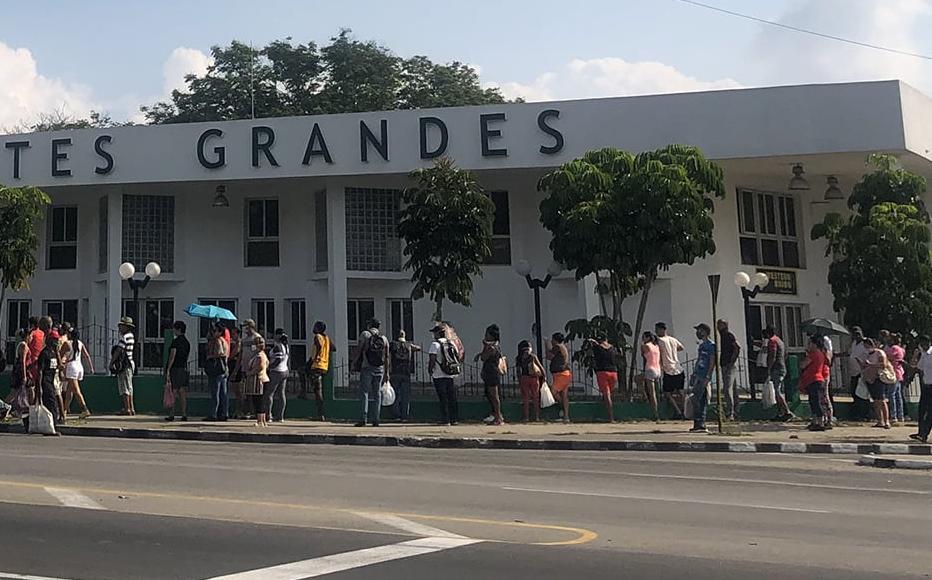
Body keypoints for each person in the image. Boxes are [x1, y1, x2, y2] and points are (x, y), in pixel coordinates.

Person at [354, 318, 389, 427]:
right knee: (377, 394)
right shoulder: (384, 338)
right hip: (380, 369)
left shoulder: (365, 334)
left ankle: (363, 419)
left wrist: (354, 362)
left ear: (370, 325)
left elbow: (359, 350)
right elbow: (387, 356)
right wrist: (387, 372)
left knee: (364, 392)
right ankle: (376, 419)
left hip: (367, 367)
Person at [428, 323, 460, 426]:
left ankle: (445, 420)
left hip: (439, 374)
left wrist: (430, 370)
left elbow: (432, 359)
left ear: (437, 334)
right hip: (450, 374)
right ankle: (454, 419)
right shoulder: (451, 343)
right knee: (451, 397)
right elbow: (457, 356)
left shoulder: (435, 345)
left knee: (443, 398)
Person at [60, 323, 93, 419]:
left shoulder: (67, 343)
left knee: (76, 390)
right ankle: (64, 411)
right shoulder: (80, 343)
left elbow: (60, 354)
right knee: (69, 391)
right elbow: (86, 355)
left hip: (71, 367)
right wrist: (91, 367)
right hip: (79, 366)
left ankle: (84, 408)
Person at [858, 338, 891, 429]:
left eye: (868, 345)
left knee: (882, 400)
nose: (866, 348)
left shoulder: (879, 353)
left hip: (878, 378)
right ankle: (880, 420)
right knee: (875, 401)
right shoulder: (866, 354)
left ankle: (886, 420)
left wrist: (871, 365)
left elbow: (883, 365)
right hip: (870, 379)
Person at [655, 322, 686, 420]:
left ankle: (678, 411)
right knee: (681, 392)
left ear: (661, 330)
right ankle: (685, 410)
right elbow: (681, 347)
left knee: (667, 393)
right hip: (678, 368)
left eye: (657, 329)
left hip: (668, 369)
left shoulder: (659, 340)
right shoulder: (672, 339)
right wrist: (672, 351)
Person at [689, 323, 715, 434]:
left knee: (698, 399)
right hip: (698, 375)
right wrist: (694, 374)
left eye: (699, 330)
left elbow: (712, 362)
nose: (697, 333)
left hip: (704, 376)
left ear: (704, 331)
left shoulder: (711, 345)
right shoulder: (702, 346)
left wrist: (708, 377)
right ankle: (697, 423)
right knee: (696, 399)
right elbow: (699, 360)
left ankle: (701, 422)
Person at [764, 326, 794, 422]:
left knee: (777, 391)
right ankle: (781, 413)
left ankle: (787, 411)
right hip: (782, 367)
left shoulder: (772, 341)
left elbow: (772, 354)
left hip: (776, 368)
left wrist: (769, 368)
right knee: (778, 391)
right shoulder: (780, 341)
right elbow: (785, 354)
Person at [476, 324, 505, 426]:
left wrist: (485, 346)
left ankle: (498, 417)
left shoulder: (492, 347)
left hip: (492, 373)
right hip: (489, 372)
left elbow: (484, 357)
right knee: (491, 395)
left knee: (494, 396)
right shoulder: (493, 346)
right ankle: (498, 416)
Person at [390, 329, 420, 423]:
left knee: (395, 395)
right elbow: (418, 348)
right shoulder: (409, 345)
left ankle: (396, 415)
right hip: (406, 373)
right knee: (405, 396)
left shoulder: (393, 345)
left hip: (395, 373)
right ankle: (405, 416)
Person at [800, 335, 829, 431]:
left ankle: (820, 422)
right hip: (816, 379)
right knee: (814, 401)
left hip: (814, 379)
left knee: (815, 402)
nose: (809, 345)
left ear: (814, 344)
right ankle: (815, 421)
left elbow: (803, 365)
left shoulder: (813, 354)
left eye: (810, 343)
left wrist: (806, 357)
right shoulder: (820, 353)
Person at [306, 321, 334, 421]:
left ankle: (320, 414)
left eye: (315, 327)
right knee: (318, 390)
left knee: (317, 391)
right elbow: (333, 348)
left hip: (317, 365)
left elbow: (318, 347)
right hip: (324, 366)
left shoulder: (317, 337)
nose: (313, 328)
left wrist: (314, 359)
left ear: (318, 328)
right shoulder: (327, 338)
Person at [164, 321, 191, 421]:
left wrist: (168, 369)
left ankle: (172, 414)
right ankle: (184, 413)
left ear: (178, 329)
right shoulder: (187, 342)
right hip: (183, 368)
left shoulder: (175, 342)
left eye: (174, 329)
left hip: (175, 368)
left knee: (173, 391)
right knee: (182, 391)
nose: (173, 331)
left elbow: (172, 356)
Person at [233, 319, 260, 419]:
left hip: (253, 369)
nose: (244, 329)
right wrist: (236, 370)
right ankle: (247, 411)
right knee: (246, 391)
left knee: (254, 391)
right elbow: (240, 355)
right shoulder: (244, 340)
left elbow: (260, 352)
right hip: (244, 369)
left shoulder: (256, 338)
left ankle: (254, 412)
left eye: (245, 326)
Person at [36, 332, 62, 431]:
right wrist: (40, 387)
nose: (57, 342)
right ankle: (52, 428)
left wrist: (57, 352)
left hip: (52, 382)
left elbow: (60, 366)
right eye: (55, 340)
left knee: (51, 406)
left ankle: (50, 427)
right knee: (52, 405)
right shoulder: (44, 354)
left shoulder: (53, 353)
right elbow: (40, 371)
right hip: (45, 383)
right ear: (50, 341)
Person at [588, 335, 617, 423]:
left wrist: (592, 343)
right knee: (610, 393)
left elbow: (591, 354)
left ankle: (611, 417)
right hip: (613, 372)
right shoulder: (612, 348)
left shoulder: (597, 348)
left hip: (603, 372)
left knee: (607, 395)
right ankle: (610, 413)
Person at [204, 323, 229, 421]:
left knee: (215, 392)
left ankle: (213, 414)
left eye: (214, 331)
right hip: (224, 369)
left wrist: (210, 356)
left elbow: (219, 353)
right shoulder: (224, 340)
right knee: (223, 392)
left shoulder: (218, 340)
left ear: (219, 332)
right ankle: (223, 413)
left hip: (217, 369)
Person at [909, 335, 932, 444]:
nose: (923, 346)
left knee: (930, 412)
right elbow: (919, 368)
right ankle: (920, 433)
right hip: (926, 386)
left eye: (924, 344)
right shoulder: (923, 355)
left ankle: (924, 434)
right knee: (922, 410)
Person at [717, 320, 741, 421]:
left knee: (727, 389)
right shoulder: (722, 336)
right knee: (733, 390)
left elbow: (737, 347)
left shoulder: (728, 335)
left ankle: (730, 412)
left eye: (720, 325)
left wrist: (732, 361)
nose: (718, 327)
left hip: (729, 365)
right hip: (725, 364)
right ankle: (736, 411)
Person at [112, 316, 136, 416]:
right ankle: (131, 408)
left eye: (122, 326)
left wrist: (112, 361)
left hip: (125, 365)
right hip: (130, 363)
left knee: (124, 387)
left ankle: (127, 408)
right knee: (129, 387)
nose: (120, 328)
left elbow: (119, 350)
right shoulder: (131, 336)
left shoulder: (125, 337)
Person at [245, 335, 270, 427]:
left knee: (259, 400)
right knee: (260, 400)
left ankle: (260, 420)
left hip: (259, 380)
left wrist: (250, 372)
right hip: (262, 378)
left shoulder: (260, 356)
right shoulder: (261, 355)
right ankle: (262, 420)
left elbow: (259, 367)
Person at [515, 340, 543, 422]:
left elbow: (518, 371)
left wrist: (519, 380)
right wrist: (543, 376)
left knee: (526, 399)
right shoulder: (532, 357)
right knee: (535, 397)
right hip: (534, 378)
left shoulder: (519, 358)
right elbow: (540, 367)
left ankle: (526, 417)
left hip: (524, 378)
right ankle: (537, 417)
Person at [547, 332, 572, 423]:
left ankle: (562, 407)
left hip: (561, 374)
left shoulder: (558, 347)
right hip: (563, 373)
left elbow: (549, 356)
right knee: (564, 395)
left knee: (553, 391)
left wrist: (547, 345)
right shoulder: (563, 346)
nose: (551, 341)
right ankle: (566, 416)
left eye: (552, 339)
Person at [266, 329, 290, 422]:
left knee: (269, 394)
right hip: (285, 370)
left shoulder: (278, 346)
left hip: (276, 371)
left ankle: (269, 415)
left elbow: (278, 360)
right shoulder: (286, 346)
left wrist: (269, 367)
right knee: (281, 394)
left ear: (278, 336)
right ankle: (280, 416)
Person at [847, 326, 870, 421]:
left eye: (858, 333)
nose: (857, 335)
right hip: (854, 372)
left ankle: (865, 415)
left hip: (862, 372)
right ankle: (857, 414)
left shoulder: (865, 343)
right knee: (854, 393)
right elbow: (849, 353)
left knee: (863, 395)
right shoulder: (854, 343)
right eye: (854, 334)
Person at [885, 333, 906, 425]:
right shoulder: (901, 349)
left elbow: (887, 357)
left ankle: (894, 416)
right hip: (899, 373)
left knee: (892, 395)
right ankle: (900, 415)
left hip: (893, 373)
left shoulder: (894, 348)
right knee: (898, 396)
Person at [640, 331, 661, 422]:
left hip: (650, 368)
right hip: (658, 369)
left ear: (647, 338)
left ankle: (655, 414)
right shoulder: (656, 346)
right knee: (655, 392)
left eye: (644, 337)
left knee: (652, 394)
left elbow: (643, 355)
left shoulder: (646, 346)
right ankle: (644, 395)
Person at [820, 334, 835, 427]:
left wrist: (824, 353)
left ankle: (829, 418)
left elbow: (829, 362)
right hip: (819, 374)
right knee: (820, 397)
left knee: (825, 396)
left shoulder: (826, 351)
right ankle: (824, 417)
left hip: (824, 374)